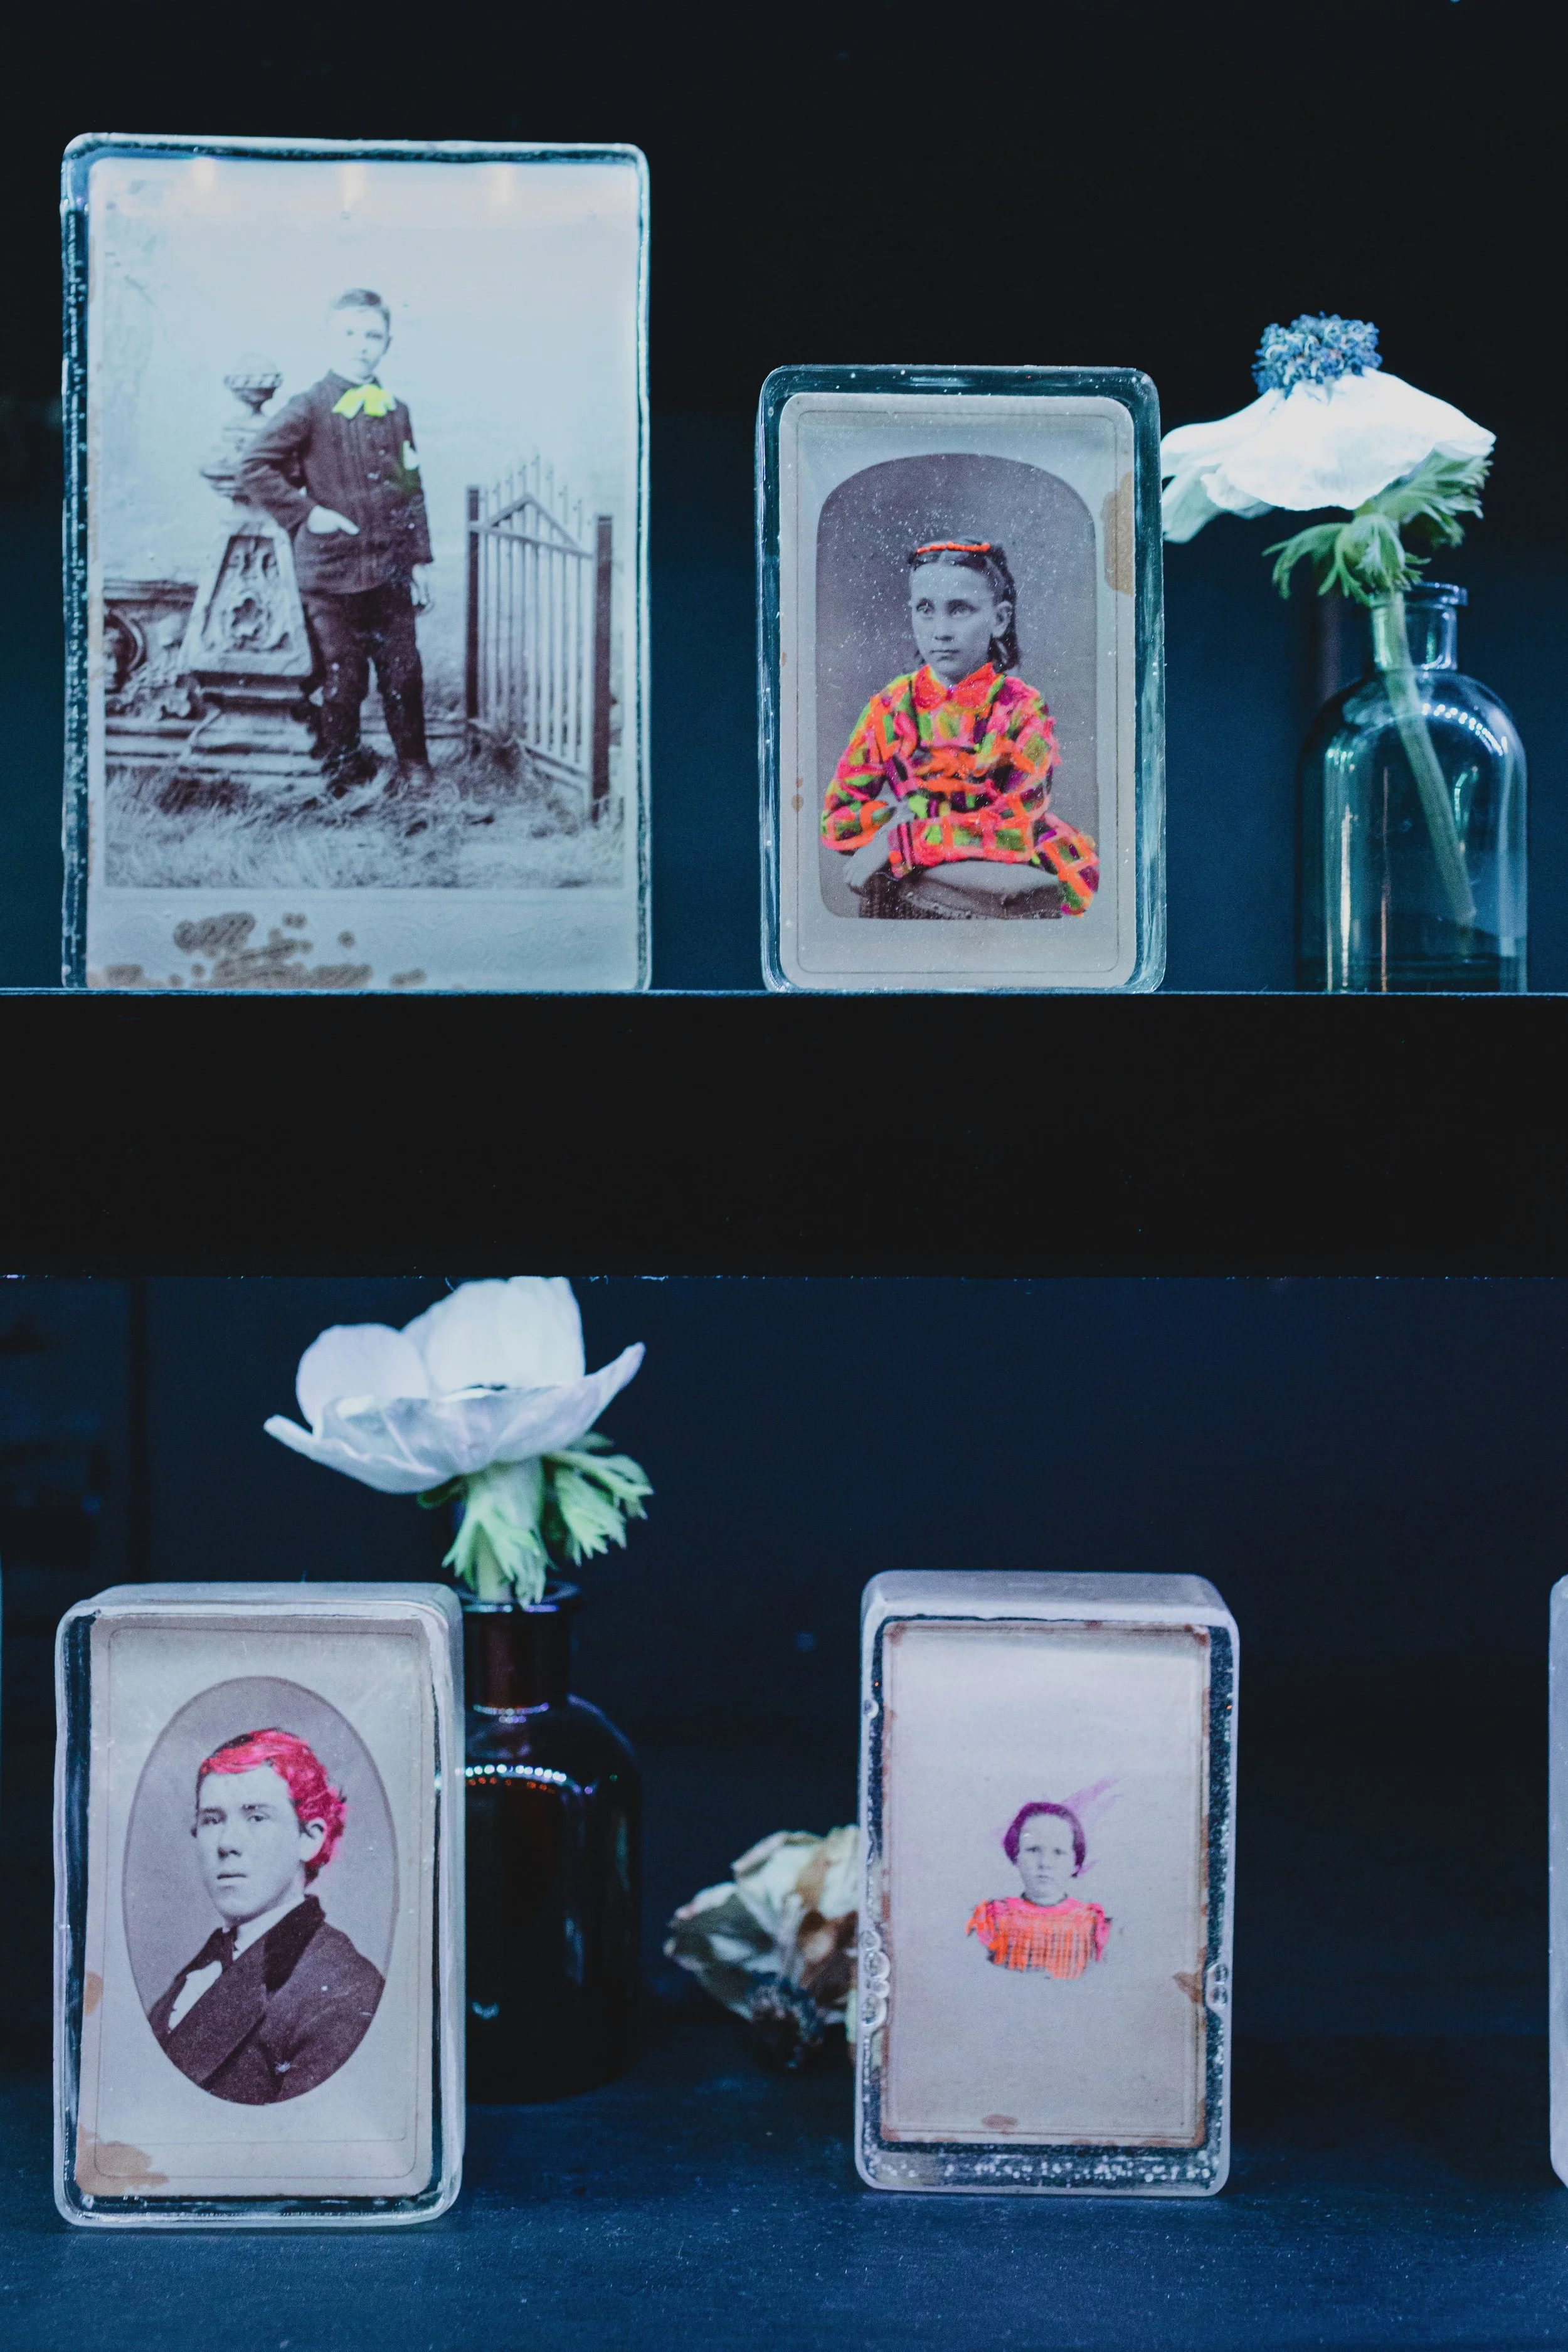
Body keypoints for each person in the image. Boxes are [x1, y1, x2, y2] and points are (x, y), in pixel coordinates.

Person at [821, 541, 1099, 919]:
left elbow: (1015, 829)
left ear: (999, 619)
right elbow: (838, 819)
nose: (941, 631)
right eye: (925, 610)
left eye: (960, 609)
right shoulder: (891, 707)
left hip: (1033, 857)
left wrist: (906, 838)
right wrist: (899, 817)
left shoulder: (1022, 708)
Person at [239, 288, 436, 803]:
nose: (361, 345)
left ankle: (415, 767)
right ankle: (343, 771)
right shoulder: (307, 408)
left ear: (387, 344)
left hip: (390, 570)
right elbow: (254, 465)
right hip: (331, 574)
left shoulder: (397, 411)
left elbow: (411, 487)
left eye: (373, 335)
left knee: (404, 671)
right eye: (349, 334)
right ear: (329, 340)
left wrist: (417, 562)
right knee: (344, 677)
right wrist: (309, 513)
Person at [146, 1727, 384, 2103]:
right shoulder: (207, 1965)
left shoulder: (343, 1991)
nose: (226, 1844)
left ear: (309, 1838)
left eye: (256, 1818)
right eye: (212, 1819)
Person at [965, 1800, 1109, 1978]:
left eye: (1058, 1852)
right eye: (1033, 1850)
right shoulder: (991, 1918)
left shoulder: (1093, 1925)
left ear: (1075, 1863)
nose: (1045, 1864)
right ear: (1016, 1856)